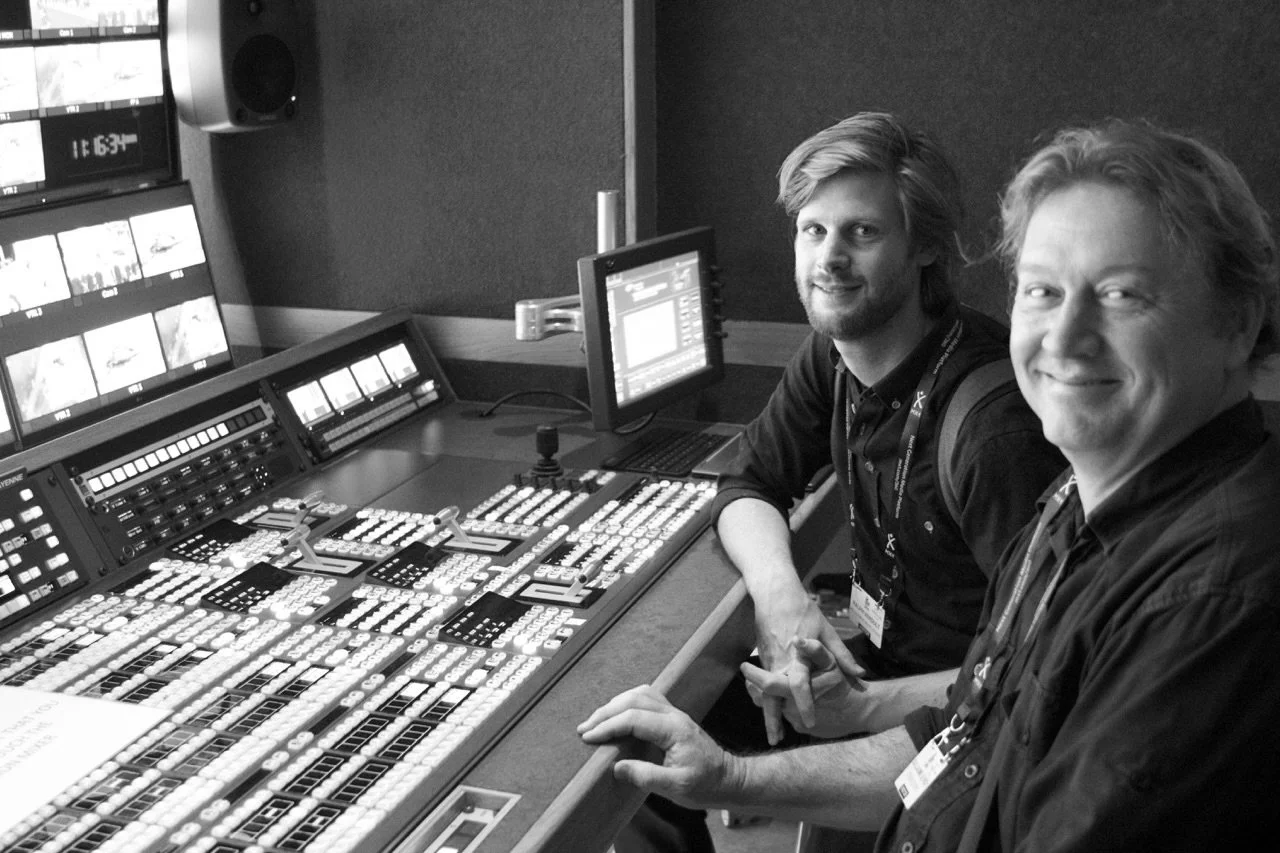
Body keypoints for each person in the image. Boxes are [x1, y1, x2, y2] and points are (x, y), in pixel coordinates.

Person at [581, 118, 1280, 850]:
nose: (1066, 338)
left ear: (1238, 324)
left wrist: (854, 711)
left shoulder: (1208, 600)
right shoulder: (1073, 507)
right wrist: (731, 774)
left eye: (1121, 295)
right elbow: (972, 743)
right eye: (1042, 291)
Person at [614, 111, 1066, 852]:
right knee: (636, 735)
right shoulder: (834, 351)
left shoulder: (993, 434)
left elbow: (1040, 673)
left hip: (959, 722)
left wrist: (863, 706)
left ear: (923, 247)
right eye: (813, 231)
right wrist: (783, 600)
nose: (829, 258)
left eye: (861, 232)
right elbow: (746, 483)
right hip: (865, 674)